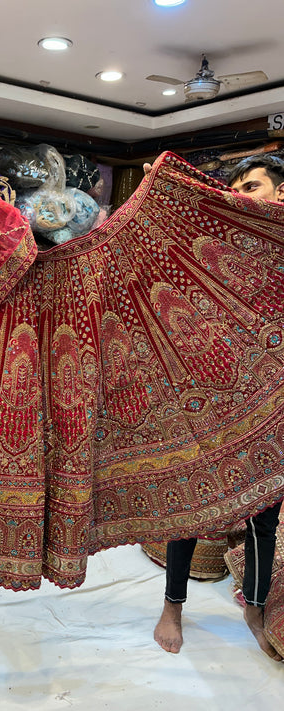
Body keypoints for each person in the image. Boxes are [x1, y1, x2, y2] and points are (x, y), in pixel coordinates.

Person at [153, 153, 284, 661]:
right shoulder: (217, 250)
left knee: (263, 517)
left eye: (251, 187)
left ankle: (253, 607)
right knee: (188, 507)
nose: (241, 197)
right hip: (207, 401)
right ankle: (173, 606)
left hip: (268, 411)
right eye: (235, 190)